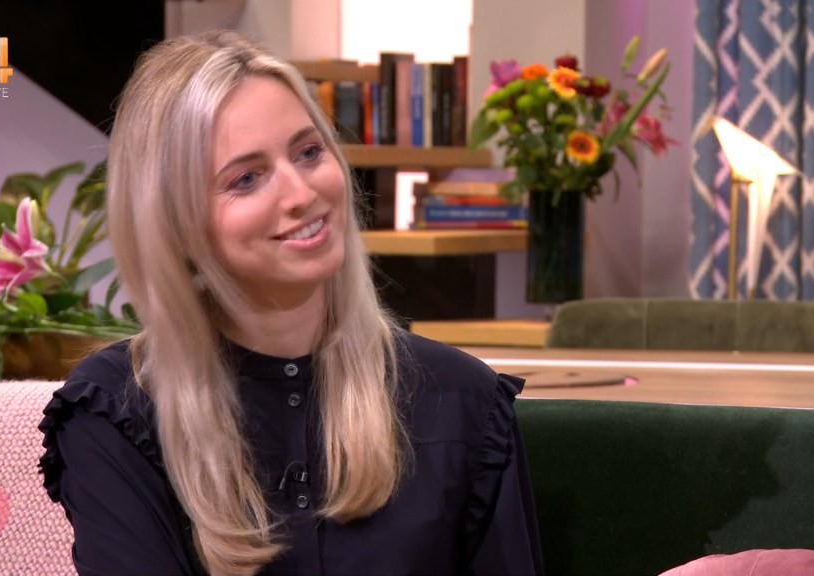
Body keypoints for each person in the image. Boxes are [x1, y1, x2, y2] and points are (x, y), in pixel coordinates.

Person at [38, 30, 543, 576]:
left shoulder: (463, 400)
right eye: (246, 178)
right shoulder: (114, 413)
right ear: (174, 224)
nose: (302, 195)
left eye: (308, 152)